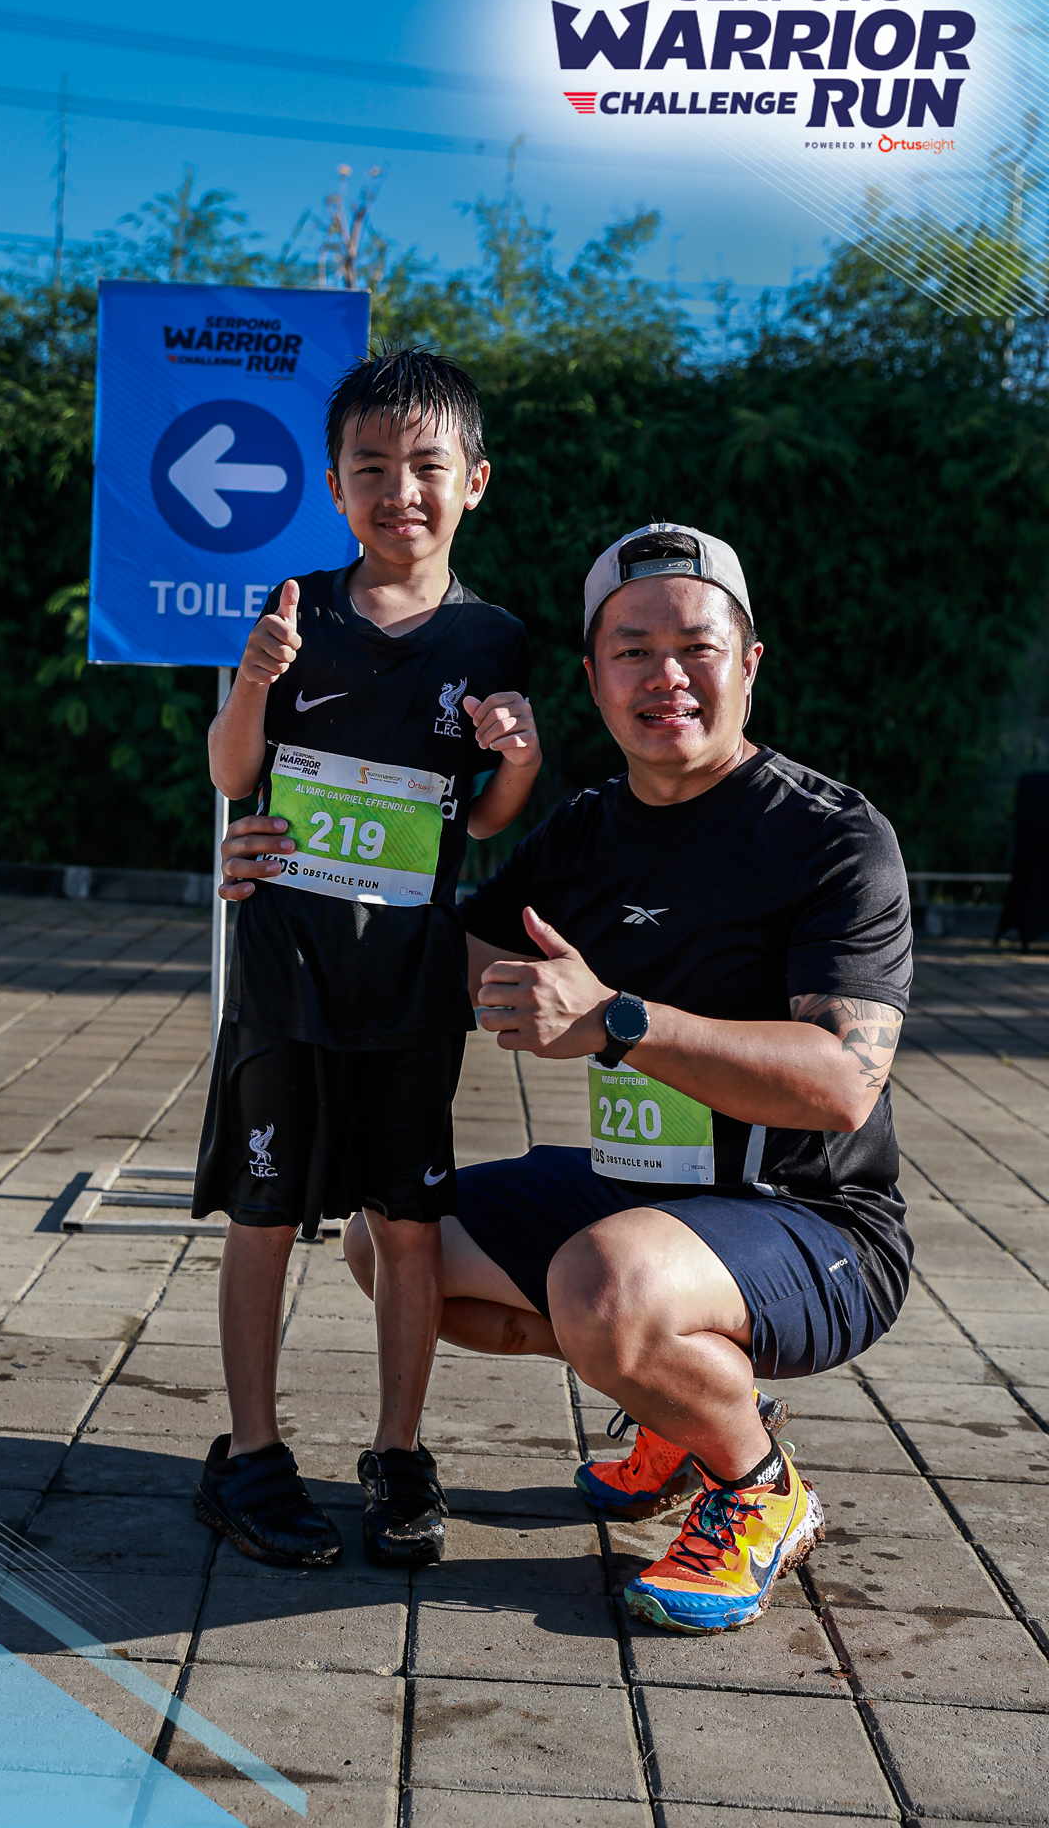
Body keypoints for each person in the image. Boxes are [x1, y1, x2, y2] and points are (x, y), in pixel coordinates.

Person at [332, 521, 912, 1633]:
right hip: (639, 1195)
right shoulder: (588, 829)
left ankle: (758, 1487)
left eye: (696, 647)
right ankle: (681, 1405)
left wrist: (616, 1022)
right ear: (594, 677)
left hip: (815, 1220)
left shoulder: (832, 837)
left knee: (602, 1290)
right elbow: (449, 954)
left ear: (748, 663)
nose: (665, 677)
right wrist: (293, 873)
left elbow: (843, 1083)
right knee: (393, 1243)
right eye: (632, 651)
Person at [194, 347, 541, 1571]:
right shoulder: (297, 608)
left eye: (426, 466)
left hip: (409, 984)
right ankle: (250, 1454)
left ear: (474, 482)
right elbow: (233, 773)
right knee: (264, 1213)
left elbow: (483, 819)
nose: (401, 490)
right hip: (284, 968)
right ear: (335, 484)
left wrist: (521, 756)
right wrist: (253, 681)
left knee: (407, 1221)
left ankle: (398, 1453)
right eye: (371, 466)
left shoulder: (494, 637)